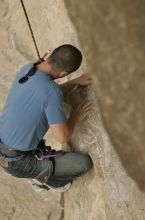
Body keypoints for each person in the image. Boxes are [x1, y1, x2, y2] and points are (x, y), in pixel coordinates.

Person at [0, 44, 94, 191]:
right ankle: (44, 180)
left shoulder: (28, 69)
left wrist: (76, 81)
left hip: (5, 149)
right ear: (63, 73)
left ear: (50, 57)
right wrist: (76, 115)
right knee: (83, 163)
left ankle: (42, 166)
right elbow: (62, 137)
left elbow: (48, 94)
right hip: (19, 162)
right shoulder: (51, 92)